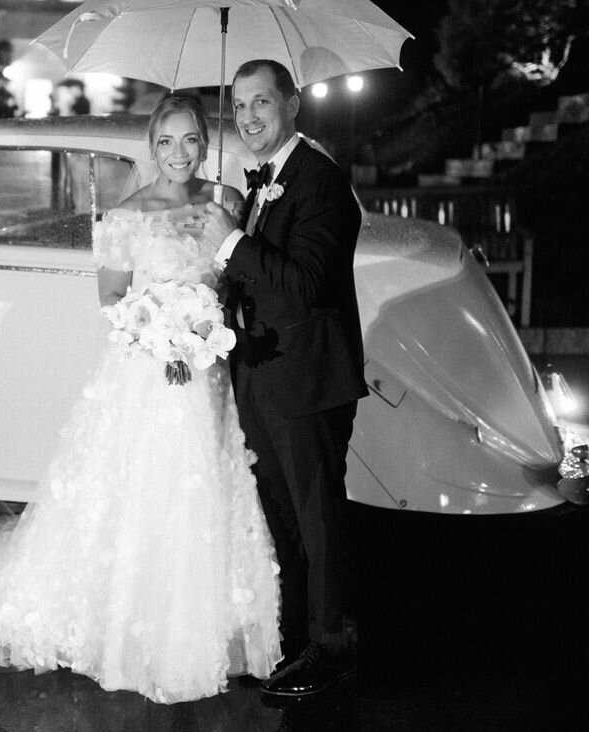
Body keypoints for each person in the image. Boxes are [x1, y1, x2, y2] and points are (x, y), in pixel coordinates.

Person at [0, 95, 282, 704]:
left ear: (202, 141)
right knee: (143, 494)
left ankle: (211, 626)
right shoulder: (127, 217)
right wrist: (159, 328)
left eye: (191, 140)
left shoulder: (226, 202)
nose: (179, 154)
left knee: (211, 492)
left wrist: (206, 326)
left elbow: (242, 277)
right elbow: (112, 300)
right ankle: (133, 634)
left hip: (211, 375)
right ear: (151, 145)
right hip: (149, 375)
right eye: (166, 142)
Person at [200, 59, 368, 699]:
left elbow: (303, 286)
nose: (248, 117)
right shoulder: (260, 183)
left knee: (318, 517)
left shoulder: (321, 181)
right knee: (284, 519)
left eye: (261, 102)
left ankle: (334, 647)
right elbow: (254, 287)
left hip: (308, 382)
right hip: (260, 377)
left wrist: (232, 243)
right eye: (239, 106)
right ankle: (297, 638)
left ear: (293, 104)